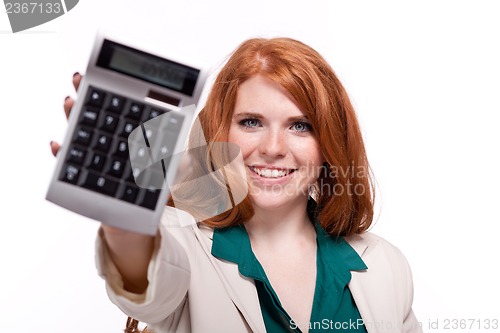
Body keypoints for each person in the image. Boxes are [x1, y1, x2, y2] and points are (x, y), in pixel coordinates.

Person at [51, 37, 422, 333]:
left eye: (300, 125)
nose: (273, 149)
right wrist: (124, 215)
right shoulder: (182, 244)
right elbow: (147, 282)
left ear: (330, 142)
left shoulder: (387, 266)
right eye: (250, 122)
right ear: (219, 133)